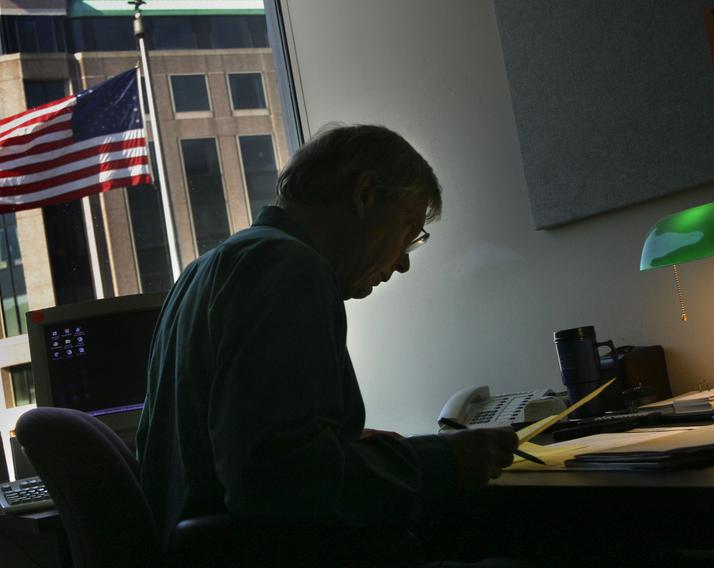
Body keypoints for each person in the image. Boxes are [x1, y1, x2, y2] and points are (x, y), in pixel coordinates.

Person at [136, 124, 519, 564]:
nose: (404, 262)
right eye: (410, 229)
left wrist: (358, 449)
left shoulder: (201, 272)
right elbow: (280, 481)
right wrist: (442, 461)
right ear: (366, 193)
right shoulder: (289, 267)